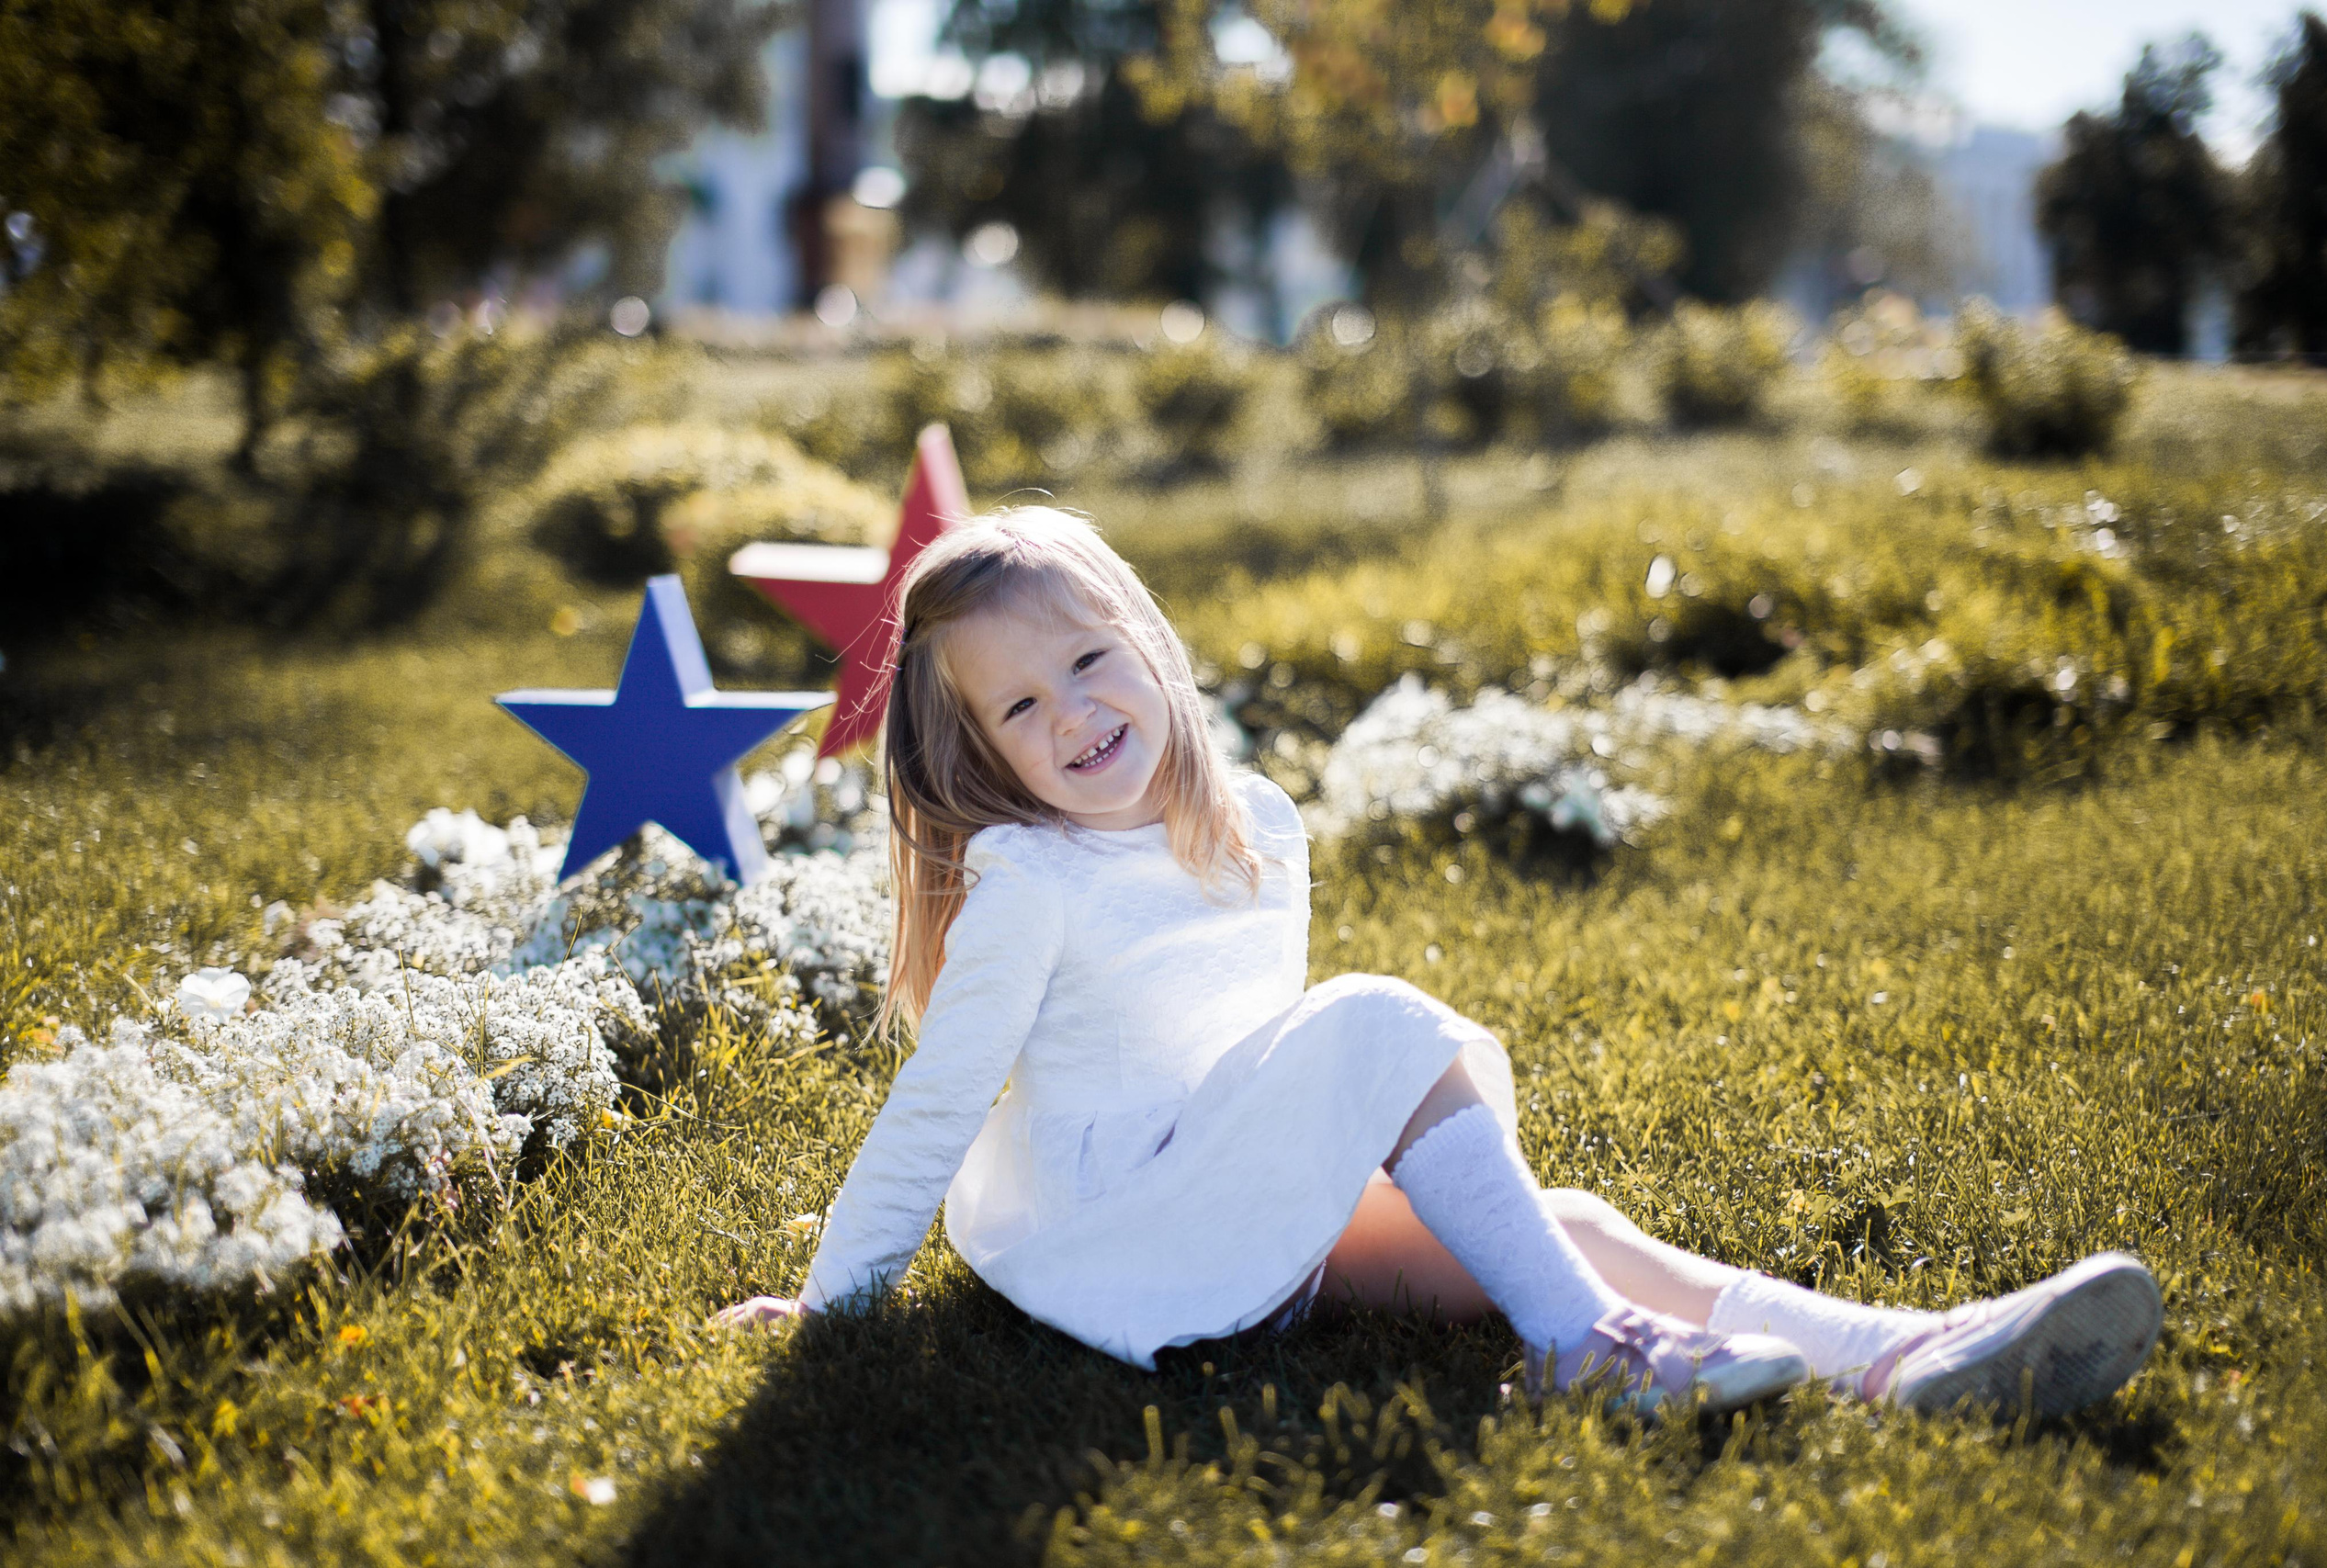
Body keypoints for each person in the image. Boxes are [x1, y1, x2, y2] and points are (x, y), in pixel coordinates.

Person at [715, 507, 2163, 1419]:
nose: (1075, 714)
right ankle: (1583, 1353)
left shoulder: (1256, 828)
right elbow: (940, 1101)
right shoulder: (1032, 881)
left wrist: (1352, 1164)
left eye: (1090, 662)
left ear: (1147, 646)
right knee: (1379, 1021)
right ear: (982, 754)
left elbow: (1242, 1059)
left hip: (1212, 1195)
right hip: (1109, 1245)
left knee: (1563, 1216)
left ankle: (1914, 1352)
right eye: (1023, 707)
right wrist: (831, 1301)